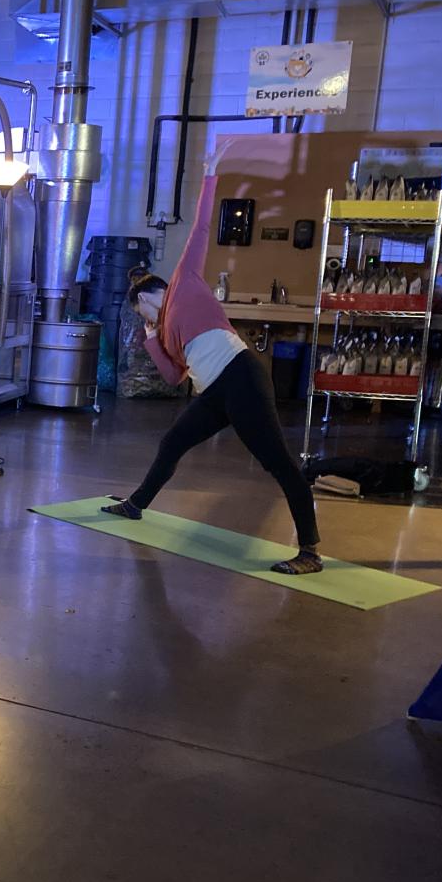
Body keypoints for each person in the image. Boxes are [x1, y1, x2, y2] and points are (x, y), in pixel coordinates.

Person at [102, 147, 323, 575]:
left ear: (146, 298)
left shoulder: (184, 283)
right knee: (173, 442)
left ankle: (310, 551)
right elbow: (172, 378)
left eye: (141, 314)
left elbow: (202, 227)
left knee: (277, 462)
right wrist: (152, 341)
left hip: (242, 378)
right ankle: (135, 506)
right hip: (215, 391)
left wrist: (209, 174)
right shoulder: (163, 331)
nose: (144, 321)